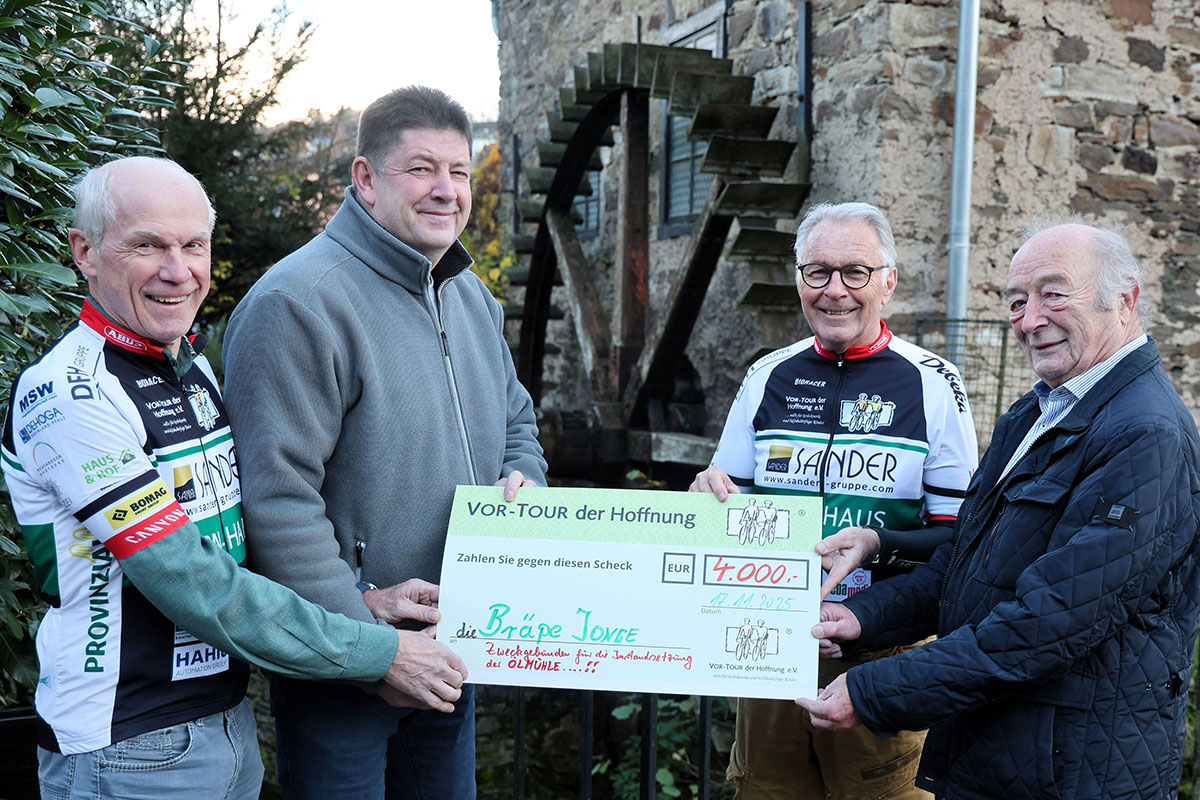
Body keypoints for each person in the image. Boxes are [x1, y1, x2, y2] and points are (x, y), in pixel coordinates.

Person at [0, 156, 468, 799]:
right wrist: (377, 653)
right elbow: (190, 577)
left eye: (193, 245)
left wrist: (360, 601)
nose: (178, 270)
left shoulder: (191, 370)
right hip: (125, 748)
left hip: (222, 726)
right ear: (84, 251)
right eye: (147, 245)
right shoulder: (71, 395)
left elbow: (235, 543)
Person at [222, 85, 547, 799]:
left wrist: (525, 481)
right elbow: (277, 502)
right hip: (347, 670)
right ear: (366, 179)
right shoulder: (296, 303)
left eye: (460, 172)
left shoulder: (469, 295)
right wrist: (372, 652)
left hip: (452, 652)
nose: (446, 190)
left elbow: (517, 423)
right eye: (421, 169)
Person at [800, 221, 1200, 799]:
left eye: (1053, 293)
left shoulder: (1147, 435)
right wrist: (864, 619)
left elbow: (1050, 620)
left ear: (1125, 300)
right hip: (1005, 756)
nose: (1029, 319)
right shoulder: (1035, 414)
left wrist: (874, 691)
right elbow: (966, 565)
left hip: (1076, 772)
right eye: (1017, 300)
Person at [691, 202, 978, 799]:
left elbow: (958, 537)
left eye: (856, 272)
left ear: (888, 281)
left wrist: (876, 555)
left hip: (884, 655)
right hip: (770, 651)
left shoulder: (934, 383)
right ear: (798, 278)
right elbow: (725, 513)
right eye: (817, 272)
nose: (835, 291)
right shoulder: (766, 375)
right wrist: (706, 498)